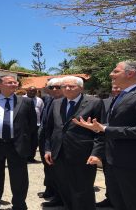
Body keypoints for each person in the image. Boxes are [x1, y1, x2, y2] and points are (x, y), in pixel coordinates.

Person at [73, 60, 136, 210]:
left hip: (132, 163)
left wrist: (106, 129)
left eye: (116, 71)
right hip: (114, 161)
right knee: (118, 203)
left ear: (130, 73)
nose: (111, 74)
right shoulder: (123, 95)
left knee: (134, 204)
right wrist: (99, 128)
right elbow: (120, 125)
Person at [44, 76, 104, 210]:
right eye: (64, 86)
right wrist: (48, 149)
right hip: (58, 153)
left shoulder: (94, 102)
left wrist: (96, 153)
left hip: (83, 153)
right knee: (64, 187)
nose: (67, 88)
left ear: (81, 88)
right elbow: (49, 129)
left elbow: (100, 131)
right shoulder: (56, 103)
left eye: (71, 86)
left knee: (83, 189)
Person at [0, 75, 37, 210]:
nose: (14, 84)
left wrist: (26, 143)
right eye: (9, 82)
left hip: (16, 145)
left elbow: (32, 125)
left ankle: (19, 205)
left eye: (14, 82)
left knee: (19, 178)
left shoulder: (26, 102)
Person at [38, 78, 64, 207]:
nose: (54, 89)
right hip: (45, 139)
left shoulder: (65, 102)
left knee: (57, 169)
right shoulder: (48, 99)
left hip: (57, 141)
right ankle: (50, 189)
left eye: (58, 87)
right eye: (51, 87)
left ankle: (59, 196)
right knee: (48, 166)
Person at [96, 85, 121, 208]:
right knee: (108, 174)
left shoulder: (130, 101)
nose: (116, 90)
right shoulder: (103, 102)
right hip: (105, 143)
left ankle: (121, 201)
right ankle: (110, 198)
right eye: (114, 88)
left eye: (119, 88)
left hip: (123, 144)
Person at [26, 86, 44, 163]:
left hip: (37, 124)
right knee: (25, 142)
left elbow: (42, 112)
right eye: (30, 91)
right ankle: (24, 158)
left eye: (34, 91)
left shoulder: (39, 100)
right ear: (27, 91)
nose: (32, 92)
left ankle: (31, 157)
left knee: (34, 142)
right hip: (25, 125)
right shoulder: (21, 99)